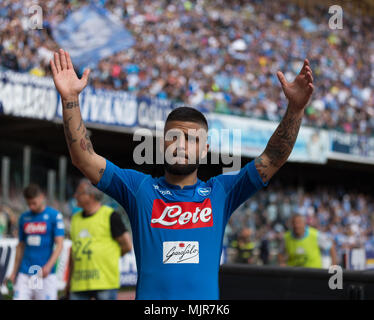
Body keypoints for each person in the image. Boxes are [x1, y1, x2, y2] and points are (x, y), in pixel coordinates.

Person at [50, 48, 314, 299]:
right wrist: (70, 99)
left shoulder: (221, 192)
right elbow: (83, 158)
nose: (181, 145)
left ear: (205, 149)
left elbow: (273, 158)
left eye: (191, 139)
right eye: (173, 137)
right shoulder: (139, 189)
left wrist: (295, 109)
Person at [65, 178, 132, 300]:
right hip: (79, 283)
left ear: (90, 196)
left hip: (104, 282)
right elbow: (73, 252)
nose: (75, 196)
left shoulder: (110, 215)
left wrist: (109, 256)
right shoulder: (75, 219)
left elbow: (127, 245)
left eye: (78, 193)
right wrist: (69, 282)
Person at [5, 184, 65, 300]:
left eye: (34, 203)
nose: (31, 207)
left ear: (42, 197)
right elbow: (20, 246)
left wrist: (48, 266)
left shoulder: (54, 216)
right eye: (29, 204)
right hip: (25, 272)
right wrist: (13, 272)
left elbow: (60, 245)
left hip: (43, 273)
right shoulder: (24, 217)